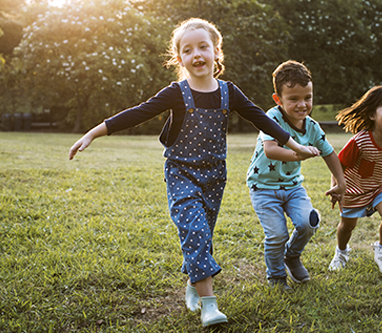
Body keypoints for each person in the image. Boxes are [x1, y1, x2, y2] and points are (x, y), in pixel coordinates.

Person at [68, 18, 319, 327]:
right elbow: (138, 112)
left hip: (214, 176)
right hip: (181, 173)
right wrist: (93, 132)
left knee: (203, 234)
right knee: (195, 231)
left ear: (216, 52)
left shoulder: (229, 92)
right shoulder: (177, 92)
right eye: (188, 50)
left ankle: (192, 283)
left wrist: (297, 145)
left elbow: (262, 119)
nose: (197, 54)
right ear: (180, 59)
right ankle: (209, 305)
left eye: (203, 47)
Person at [246, 60, 346, 290]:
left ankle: (291, 256)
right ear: (278, 99)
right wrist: (299, 154)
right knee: (277, 235)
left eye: (308, 97)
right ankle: (277, 276)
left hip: (293, 187)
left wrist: (341, 182)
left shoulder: (311, 126)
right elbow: (271, 150)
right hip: (263, 188)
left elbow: (329, 153)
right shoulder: (271, 118)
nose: (302, 104)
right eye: (293, 99)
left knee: (308, 223)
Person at [328, 85, 382, 275]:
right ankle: (341, 252)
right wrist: (336, 187)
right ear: (372, 115)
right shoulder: (360, 141)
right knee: (347, 226)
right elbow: (339, 164)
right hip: (354, 188)